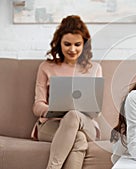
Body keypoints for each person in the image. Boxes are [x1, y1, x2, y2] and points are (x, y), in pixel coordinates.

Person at [31, 15, 102, 169]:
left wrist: (74, 110)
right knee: (79, 139)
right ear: (59, 43)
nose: (72, 49)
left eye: (77, 44)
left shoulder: (94, 68)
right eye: (67, 44)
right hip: (51, 125)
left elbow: (96, 111)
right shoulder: (46, 67)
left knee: (73, 114)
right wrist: (53, 109)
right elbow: (37, 106)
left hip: (86, 124)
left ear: (84, 45)